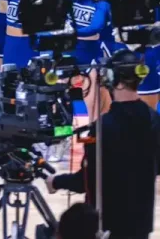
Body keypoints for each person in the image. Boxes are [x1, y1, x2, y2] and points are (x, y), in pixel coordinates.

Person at [47, 48, 160, 239]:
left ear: (114, 80)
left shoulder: (102, 128)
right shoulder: (155, 120)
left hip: (106, 225)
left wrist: (56, 181)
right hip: (141, 224)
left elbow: (86, 181)